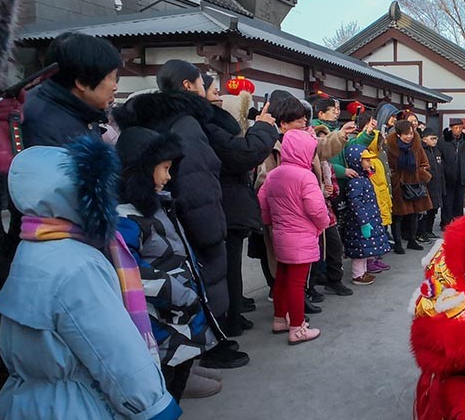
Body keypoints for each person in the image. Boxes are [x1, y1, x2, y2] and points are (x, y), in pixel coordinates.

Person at [0, 138, 180, 420]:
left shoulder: (30, 247)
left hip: (32, 389)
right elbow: (109, 345)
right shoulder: (77, 262)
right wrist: (150, 401)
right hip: (80, 394)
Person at [113, 60, 250, 369]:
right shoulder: (187, 123)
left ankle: (190, 354)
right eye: (206, 86)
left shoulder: (152, 118)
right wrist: (212, 229)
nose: (209, 93)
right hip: (193, 217)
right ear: (188, 86)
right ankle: (205, 349)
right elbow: (198, 179)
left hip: (170, 212)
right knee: (201, 283)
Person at [116, 127, 214, 420]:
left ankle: (170, 419)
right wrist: (178, 293)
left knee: (182, 362)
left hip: (181, 307)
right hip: (158, 313)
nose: (169, 177)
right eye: (165, 168)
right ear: (143, 169)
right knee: (162, 369)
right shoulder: (125, 218)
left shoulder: (158, 205)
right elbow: (131, 272)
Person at [203, 76, 278, 338]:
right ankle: (229, 322)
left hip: (228, 204)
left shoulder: (211, 127)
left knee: (231, 268)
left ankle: (234, 315)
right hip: (225, 205)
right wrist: (263, 127)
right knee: (226, 269)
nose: (218, 96)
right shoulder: (213, 129)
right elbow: (244, 155)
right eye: (213, 90)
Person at [257, 129, 328, 345]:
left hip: (280, 234)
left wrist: (270, 221)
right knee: (298, 284)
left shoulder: (274, 174)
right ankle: (297, 327)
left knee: (282, 278)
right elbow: (316, 208)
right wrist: (323, 224)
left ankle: (280, 318)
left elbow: (262, 201)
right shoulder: (305, 176)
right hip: (302, 237)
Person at [20, 32, 119, 148]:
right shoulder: (41, 122)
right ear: (82, 82)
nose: (115, 87)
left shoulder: (81, 110)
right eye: (111, 77)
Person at [338, 145, 391, 285]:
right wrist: (363, 221)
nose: (369, 163)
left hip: (367, 218)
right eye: (366, 160)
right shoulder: (356, 181)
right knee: (359, 249)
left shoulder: (363, 178)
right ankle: (358, 275)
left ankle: (363, 272)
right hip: (360, 221)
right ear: (356, 161)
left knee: (364, 247)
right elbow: (356, 203)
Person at [387, 119, 432, 253]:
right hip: (399, 185)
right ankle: (398, 243)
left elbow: (425, 163)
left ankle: (412, 240)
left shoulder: (417, 145)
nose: (409, 137)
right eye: (406, 134)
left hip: (415, 183)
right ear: (399, 134)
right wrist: (395, 178)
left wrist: (421, 174)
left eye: (411, 133)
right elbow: (388, 166)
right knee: (398, 216)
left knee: (414, 214)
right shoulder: (391, 146)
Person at [439, 119, 465, 226]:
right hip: (448, 176)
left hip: (462, 176)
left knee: (459, 202)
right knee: (447, 202)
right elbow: (440, 157)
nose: (458, 130)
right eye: (455, 128)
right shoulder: (444, 140)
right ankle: (446, 223)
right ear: (451, 128)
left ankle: (458, 223)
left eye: (460, 128)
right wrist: (443, 169)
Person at [419, 127, 444, 241]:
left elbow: (441, 169)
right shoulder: (422, 151)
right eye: (432, 138)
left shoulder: (437, 151)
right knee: (425, 211)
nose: (434, 141)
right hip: (427, 185)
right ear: (424, 139)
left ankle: (429, 230)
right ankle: (421, 233)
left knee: (434, 209)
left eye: (436, 138)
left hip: (437, 184)